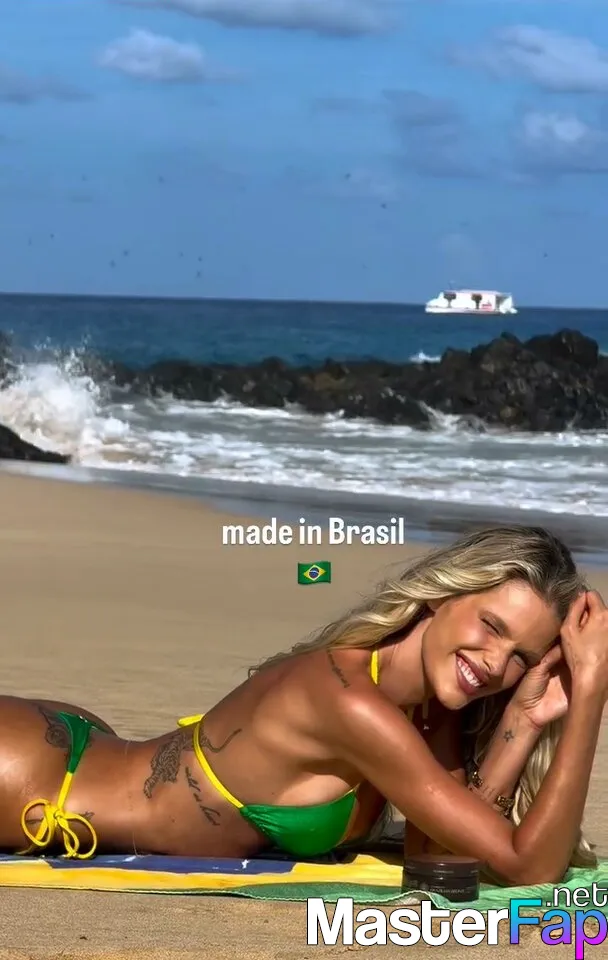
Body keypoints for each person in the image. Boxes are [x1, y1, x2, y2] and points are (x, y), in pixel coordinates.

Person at [0, 525, 606, 886]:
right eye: (491, 626)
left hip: (85, 746)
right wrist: (590, 697)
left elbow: (438, 856)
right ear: (440, 597)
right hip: (34, 783)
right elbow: (526, 865)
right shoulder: (349, 703)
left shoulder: (427, 707)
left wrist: (525, 719)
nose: (496, 663)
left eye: (522, 656)